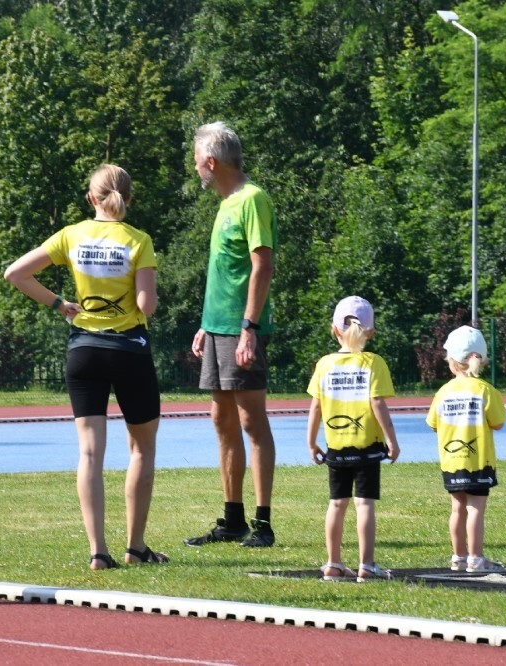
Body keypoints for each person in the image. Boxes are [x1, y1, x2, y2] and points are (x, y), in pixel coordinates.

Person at [4, 164, 168, 570]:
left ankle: (98, 552)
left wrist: (59, 303)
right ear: (129, 198)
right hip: (129, 350)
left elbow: (15, 273)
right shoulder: (139, 240)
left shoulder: (72, 235)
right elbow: (146, 306)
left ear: (91, 198)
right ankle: (136, 547)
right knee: (142, 449)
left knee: (90, 453)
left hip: (84, 351)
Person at [184, 122, 278, 548]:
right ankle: (233, 520)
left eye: (196, 161)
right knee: (222, 420)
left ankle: (263, 523)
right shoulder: (225, 204)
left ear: (211, 161)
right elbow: (226, 272)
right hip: (218, 328)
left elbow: (262, 266)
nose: (195, 169)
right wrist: (207, 323)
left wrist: (249, 329)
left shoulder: (252, 199)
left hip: (241, 330)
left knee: (251, 421)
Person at [306, 296, 400, 582]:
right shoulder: (373, 363)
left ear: (334, 329)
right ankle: (367, 565)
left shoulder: (325, 364)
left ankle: (333, 563)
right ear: (370, 332)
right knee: (364, 504)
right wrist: (392, 440)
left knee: (337, 503)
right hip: (366, 447)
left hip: (336, 446)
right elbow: (377, 403)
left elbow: (316, 406)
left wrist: (311, 441)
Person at [426, 325, 506, 573]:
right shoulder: (485, 390)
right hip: (478, 461)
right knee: (475, 509)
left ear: (452, 361)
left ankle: (458, 557)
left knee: (457, 509)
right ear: (481, 360)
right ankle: (476, 558)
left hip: (452, 461)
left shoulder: (443, 392)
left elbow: (433, 424)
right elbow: (498, 423)